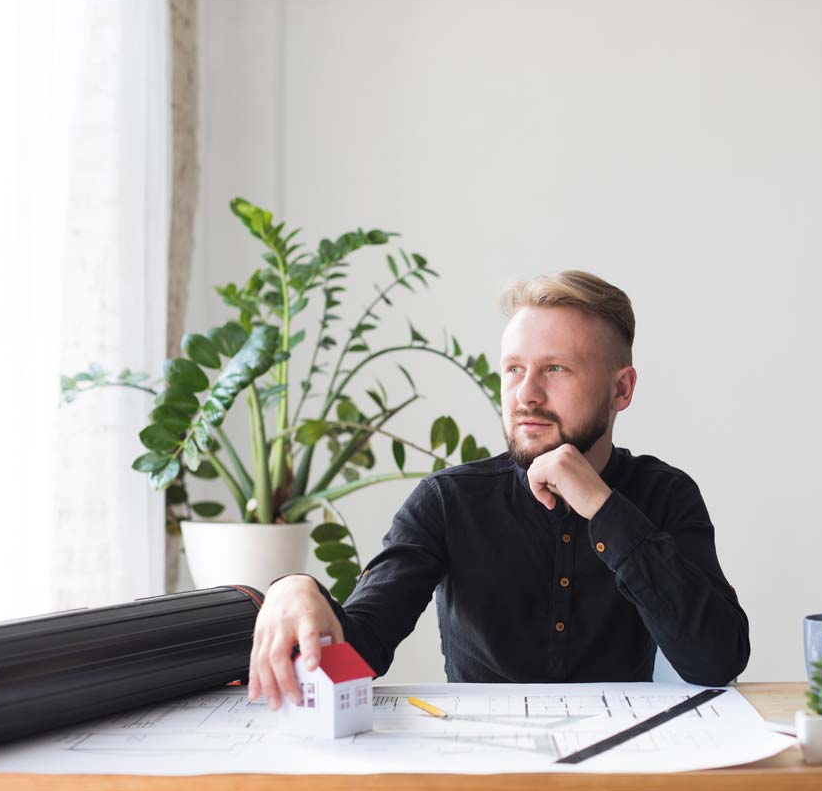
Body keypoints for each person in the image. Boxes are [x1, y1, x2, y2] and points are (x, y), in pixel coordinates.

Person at [247, 270, 749, 710]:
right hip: (482, 770)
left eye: (555, 369)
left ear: (621, 390)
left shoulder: (666, 495)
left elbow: (715, 660)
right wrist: (297, 588)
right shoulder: (447, 503)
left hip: (619, 770)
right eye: (514, 369)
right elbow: (363, 650)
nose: (526, 394)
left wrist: (600, 504)